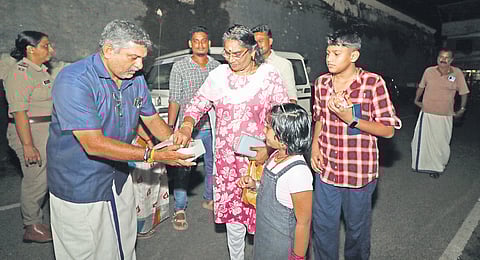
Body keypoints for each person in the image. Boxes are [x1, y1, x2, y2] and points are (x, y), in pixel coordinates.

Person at [47, 20, 193, 260]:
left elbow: (153, 119)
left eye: (142, 58)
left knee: (123, 243)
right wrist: (153, 155)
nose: (140, 65)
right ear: (108, 50)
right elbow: (93, 144)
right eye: (133, 57)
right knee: (86, 250)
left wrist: (177, 145)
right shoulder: (75, 80)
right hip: (80, 183)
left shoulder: (134, 80)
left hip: (118, 176)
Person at [173, 24, 289, 260]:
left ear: (252, 50)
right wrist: (186, 126)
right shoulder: (218, 76)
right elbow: (197, 104)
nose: (231, 59)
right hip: (227, 163)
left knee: (264, 216)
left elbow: (282, 118)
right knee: (234, 220)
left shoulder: (269, 76)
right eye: (227, 53)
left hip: (260, 160)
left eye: (237, 54)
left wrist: (268, 149)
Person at [310, 28, 402, 260]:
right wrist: (314, 147)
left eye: (336, 53)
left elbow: (388, 130)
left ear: (353, 56)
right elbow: (319, 117)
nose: (329, 59)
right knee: (322, 228)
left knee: (356, 232)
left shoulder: (372, 83)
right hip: (327, 170)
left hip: (358, 171)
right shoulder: (321, 83)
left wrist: (351, 119)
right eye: (328, 53)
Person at [238, 103, 312, 260]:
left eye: (269, 127)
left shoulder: (298, 173)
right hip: (264, 236)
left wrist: (297, 256)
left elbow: (303, 223)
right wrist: (255, 185)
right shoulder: (275, 156)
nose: (264, 130)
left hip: (281, 245)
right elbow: (276, 192)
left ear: (284, 138)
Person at [167, 25, 221, 230]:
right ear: (190, 44)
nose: (200, 44)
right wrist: (172, 128)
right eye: (196, 41)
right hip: (187, 128)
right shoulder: (180, 67)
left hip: (211, 127)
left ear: (209, 43)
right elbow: (175, 99)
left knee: (212, 165)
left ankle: (209, 197)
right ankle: (179, 208)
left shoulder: (217, 67)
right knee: (184, 167)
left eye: (204, 40)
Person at [4, 31, 55, 243]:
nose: (51, 50)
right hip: (29, 131)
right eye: (46, 46)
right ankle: (31, 225)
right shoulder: (20, 72)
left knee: (45, 177)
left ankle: (39, 221)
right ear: (30, 49)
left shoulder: (40, 71)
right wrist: (27, 145)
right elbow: (19, 112)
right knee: (35, 179)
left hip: (44, 129)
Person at [411, 48, 469, 178]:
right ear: (437, 58)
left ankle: (437, 167)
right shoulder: (429, 71)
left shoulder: (457, 73)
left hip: (445, 114)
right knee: (423, 142)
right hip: (428, 113)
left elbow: (464, 92)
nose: (443, 59)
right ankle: (421, 166)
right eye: (441, 57)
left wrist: (462, 109)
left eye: (447, 57)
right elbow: (421, 87)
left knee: (441, 143)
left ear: (452, 60)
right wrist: (416, 100)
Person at [252, 24, 297, 103]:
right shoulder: (250, 63)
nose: (257, 45)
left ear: (270, 41)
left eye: (261, 41)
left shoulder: (283, 64)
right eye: (255, 42)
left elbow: (291, 96)